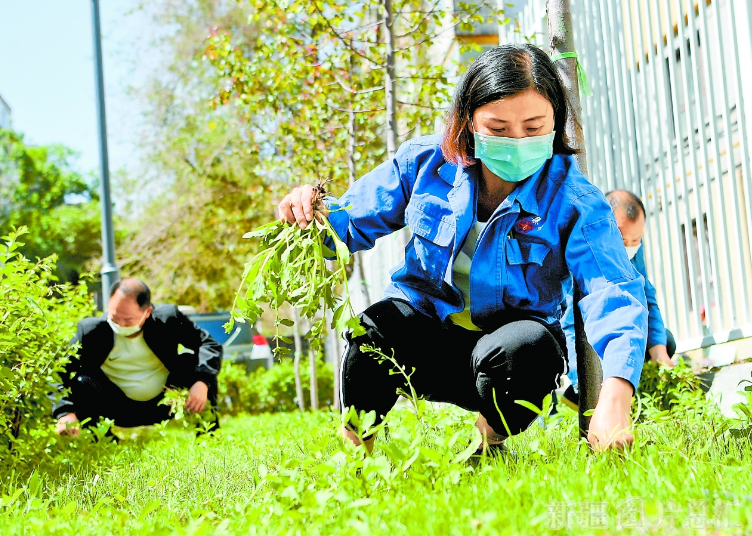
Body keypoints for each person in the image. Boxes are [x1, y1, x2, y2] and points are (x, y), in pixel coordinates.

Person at [278, 44, 648, 452]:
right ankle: (358, 454)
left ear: (556, 121)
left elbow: (612, 291)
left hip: (504, 360)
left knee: (530, 349)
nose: (517, 141)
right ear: (468, 121)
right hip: (424, 343)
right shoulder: (425, 164)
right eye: (498, 129)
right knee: (372, 330)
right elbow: (344, 228)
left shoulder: (575, 200)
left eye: (533, 126)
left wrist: (614, 397)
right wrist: (308, 212)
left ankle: (487, 444)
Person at [54, 278, 222, 435]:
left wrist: (202, 382)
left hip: (165, 403)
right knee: (82, 382)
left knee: (198, 366)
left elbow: (209, 344)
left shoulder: (167, 319)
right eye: (114, 316)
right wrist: (64, 412)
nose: (120, 324)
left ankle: (208, 434)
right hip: (117, 408)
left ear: (148, 312)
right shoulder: (91, 331)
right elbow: (59, 371)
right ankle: (101, 442)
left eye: (128, 320)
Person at [560, 189, 676, 409]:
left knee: (665, 341)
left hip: (620, 333)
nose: (631, 247)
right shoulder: (582, 250)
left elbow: (645, 293)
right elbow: (570, 327)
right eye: (624, 240)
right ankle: (576, 399)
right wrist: (584, 383)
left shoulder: (632, 251)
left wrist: (659, 349)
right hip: (591, 338)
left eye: (637, 239)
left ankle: (635, 394)